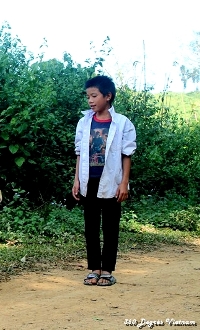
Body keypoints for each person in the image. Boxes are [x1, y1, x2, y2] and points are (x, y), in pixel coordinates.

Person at [72, 75, 137, 287]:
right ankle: (94, 269)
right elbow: (80, 152)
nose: (90, 100)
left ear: (108, 96)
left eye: (94, 96)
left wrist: (124, 183)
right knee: (90, 227)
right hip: (88, 181)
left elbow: (126, 155)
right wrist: (76, 181)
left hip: (111, 181)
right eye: (88, 96)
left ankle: (107, 270)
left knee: (110, 226)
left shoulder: (122, 123)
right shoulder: (84, 122)